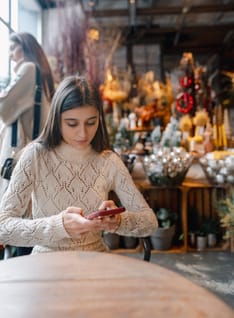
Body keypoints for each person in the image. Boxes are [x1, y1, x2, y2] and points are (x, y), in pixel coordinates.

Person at [0, 75, 157, 254]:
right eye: (72, 123)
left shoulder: (108, 161)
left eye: (91, 122)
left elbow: (149, 222)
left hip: (95, 262)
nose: (83, 133)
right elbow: (3, 227)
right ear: (56, 120)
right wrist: (59, 226)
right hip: (45, 264)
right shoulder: (35, 156)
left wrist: (118, 221)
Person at [0, 32, 55, 256]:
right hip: (31, 154)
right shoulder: (41, 73)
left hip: (18, 154)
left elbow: (4, 107)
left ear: (24, 47)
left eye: (13, 49)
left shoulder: (28, 69)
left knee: (15, 220)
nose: (11, 56)